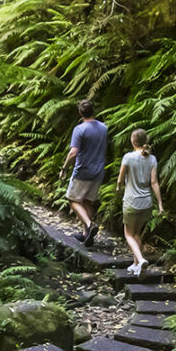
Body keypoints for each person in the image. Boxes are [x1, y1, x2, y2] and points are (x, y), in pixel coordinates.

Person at [119, 128, 166, 275]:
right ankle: (136, 265)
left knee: (128, 234)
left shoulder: (128, 157)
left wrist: (118, 187)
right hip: (146, 203)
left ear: (133, 141)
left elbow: (120, 179)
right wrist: (159, 203)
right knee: (137, 233)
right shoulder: (152, 159)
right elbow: (154, 182)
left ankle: (141, 259)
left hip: (131, 202)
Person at [61, 99, 108, 243]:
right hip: (98, 171)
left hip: (83, 171)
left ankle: (89, 224)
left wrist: (64, 168)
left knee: (73, 200)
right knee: (88, 201)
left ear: (80, 113)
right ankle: (86, 235)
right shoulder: (104, 128)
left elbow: (73, 152)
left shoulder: (80, 129)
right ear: (93, 111)